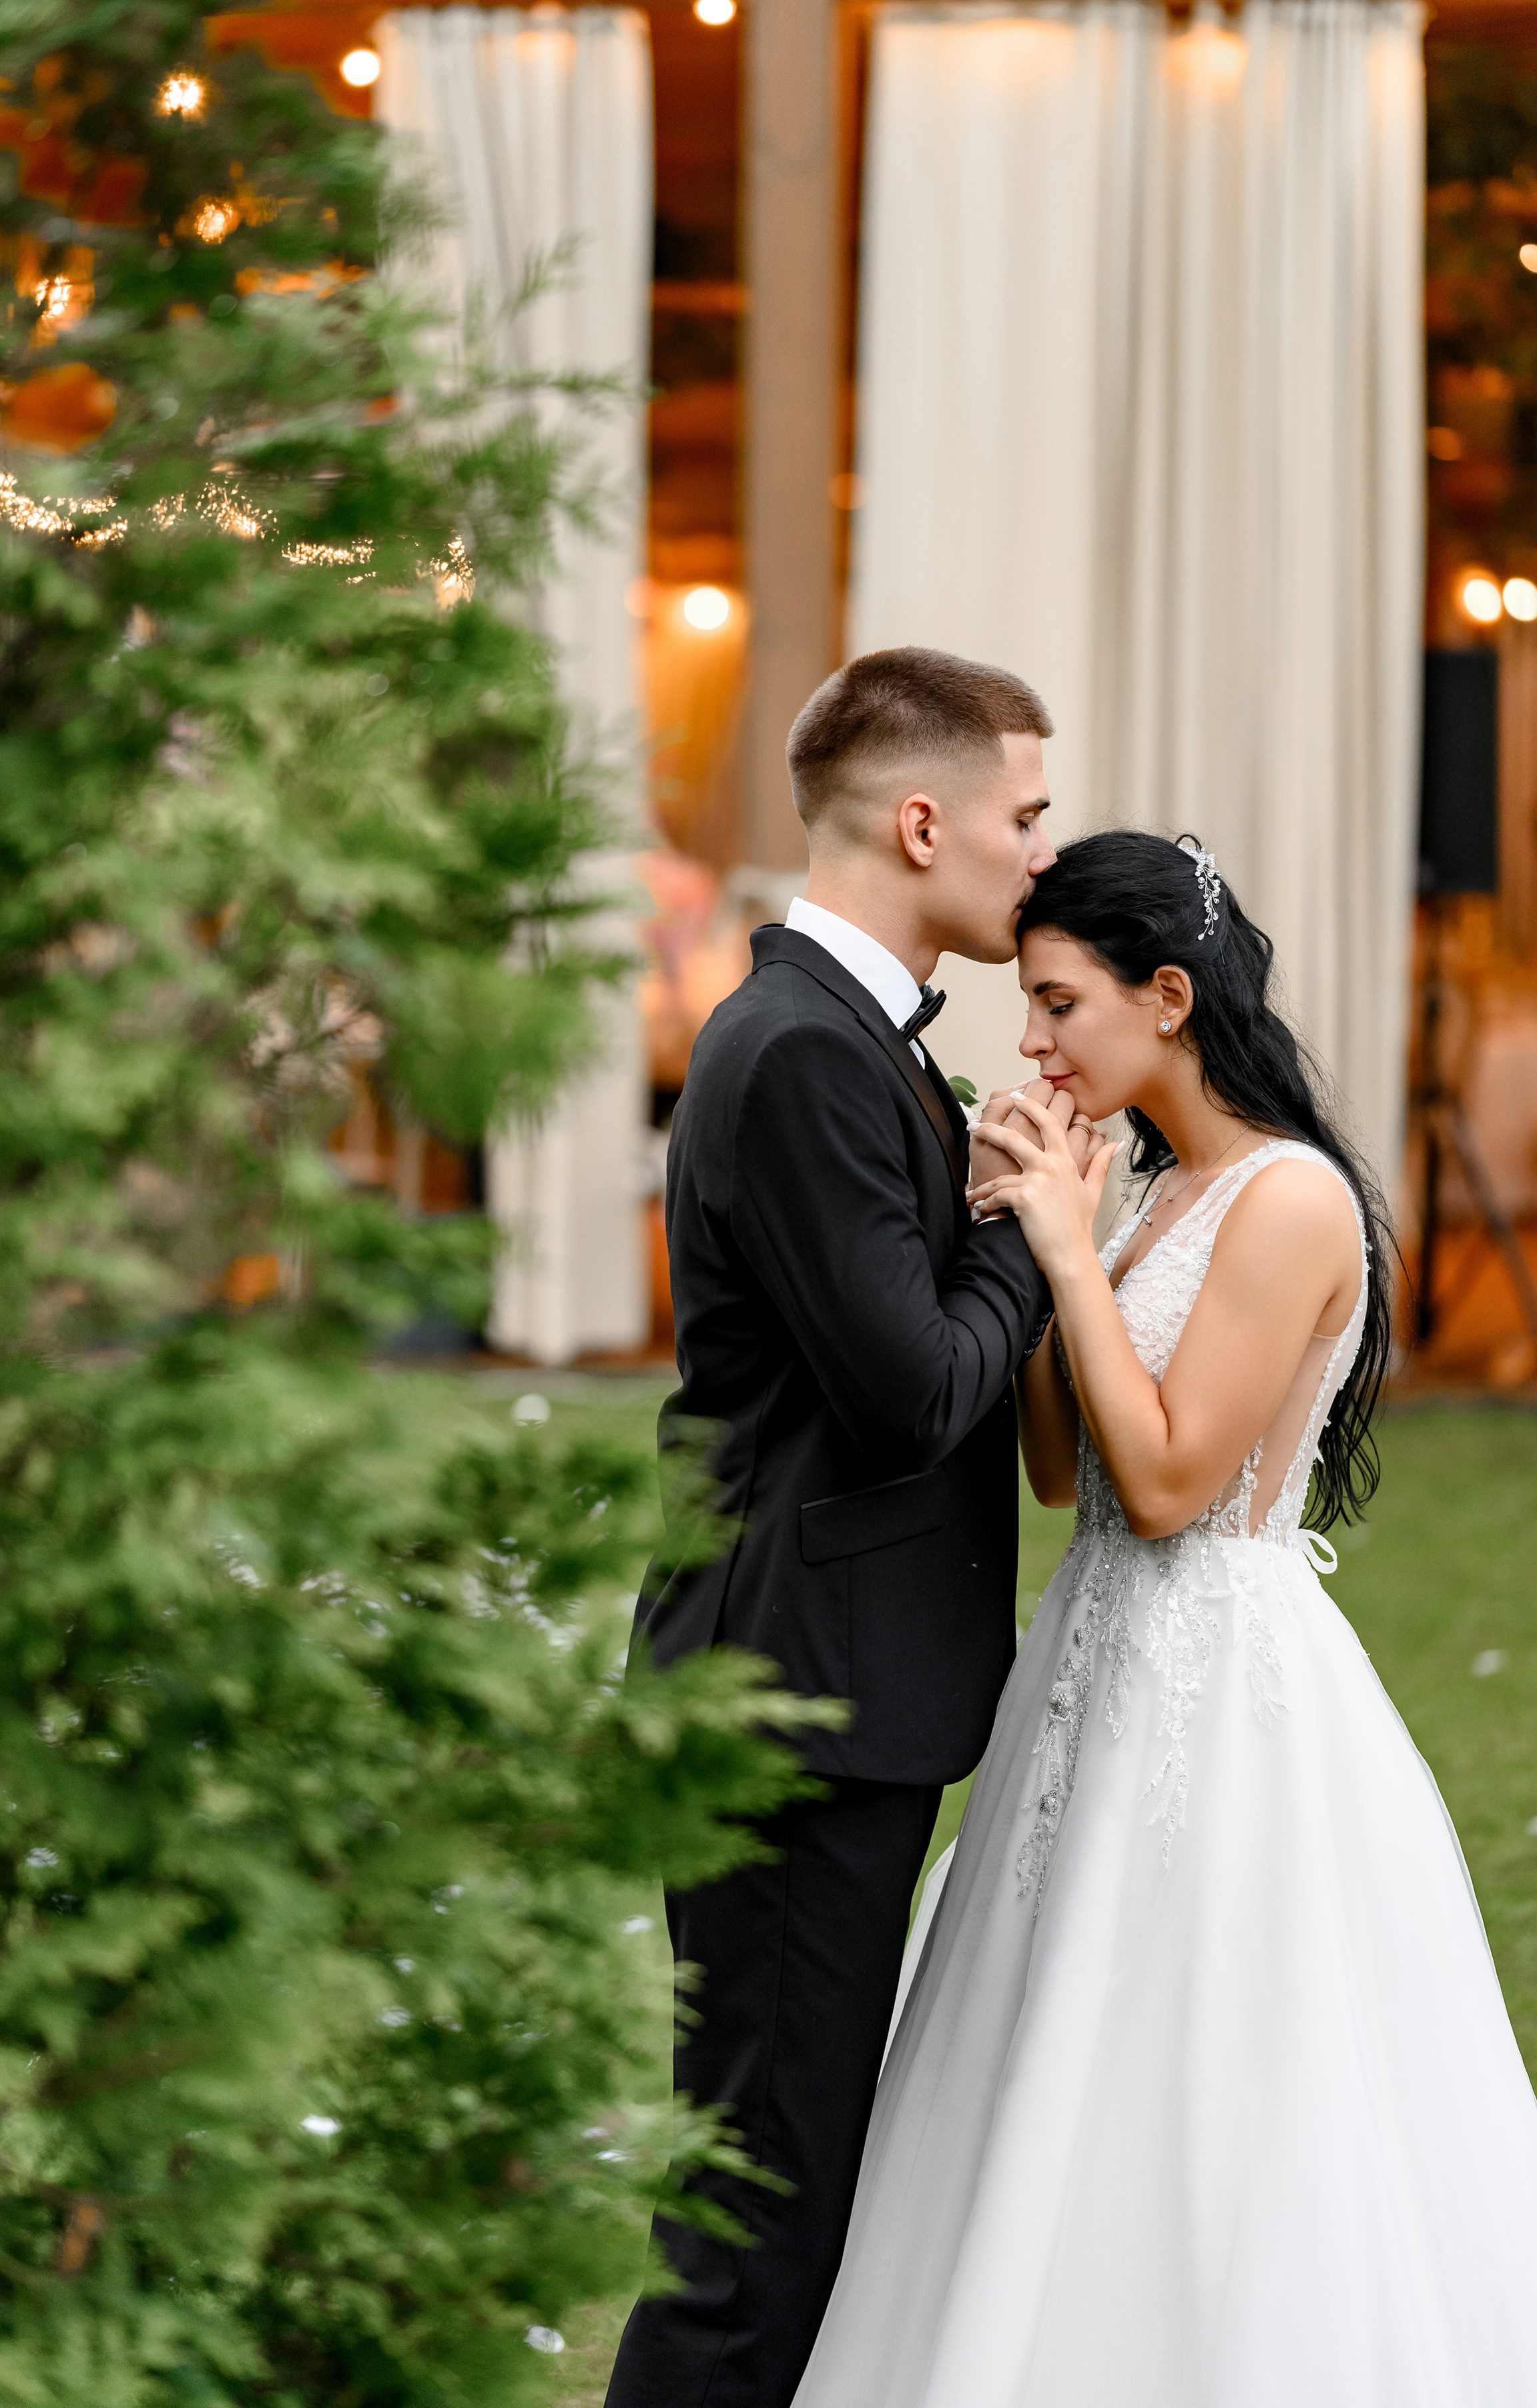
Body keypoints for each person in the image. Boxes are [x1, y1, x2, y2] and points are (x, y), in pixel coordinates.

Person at [793, 828, 1537, 2408]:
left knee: (1213, 2052)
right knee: (1046, 2028)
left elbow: (1179, 1480)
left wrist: (1064, 1247)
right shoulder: (1156, 1190)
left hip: (1223, 1671)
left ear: (1171, 997)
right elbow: (1066, 1470)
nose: (1036, 1043)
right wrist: (1042, 1235)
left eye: (1061, 1004)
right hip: (1091, 1661)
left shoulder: (1286, 1200)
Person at [605, 648, 1103, 2408]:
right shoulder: (803, 1055)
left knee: (789, 2204)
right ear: (921, 819)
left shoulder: (834, 1040)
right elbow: (914, 1389)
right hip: (791, 1708)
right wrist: (1025, 1222)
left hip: (814, 1692)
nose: (1041, 856)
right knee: (755, 2237)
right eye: (1023, 817)